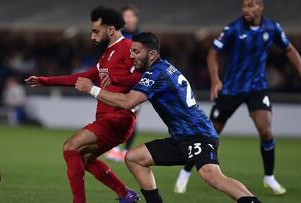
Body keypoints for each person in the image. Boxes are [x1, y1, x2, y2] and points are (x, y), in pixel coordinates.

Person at [75, 32, 261, 203]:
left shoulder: (157, 74)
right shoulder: (161, 69)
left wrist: (92, 89)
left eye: (136, 52)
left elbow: (128, 102)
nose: (132, 56)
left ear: (152, 55)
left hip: (196, 134)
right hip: (182, 136)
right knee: (134, 158)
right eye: (131, 51)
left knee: (210, 175)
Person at [175, 0, 301, 195]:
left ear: (260, 7)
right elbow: (212, 54)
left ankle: (269, 178)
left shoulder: (272, 28)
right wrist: (216, 80)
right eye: (244, 5)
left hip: (257, 88)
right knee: (209, 134)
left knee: (266, 131)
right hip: (231, 89)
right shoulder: (233, 28)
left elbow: (290, 50)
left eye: (251, 5)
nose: (246, 9)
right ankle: (185, 173)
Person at [25, 6, 142, 203]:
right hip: (107, 118)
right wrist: (46, 80)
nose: (92, 37)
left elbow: (143, 75)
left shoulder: (129, 48)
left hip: (119, 117)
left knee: (70, 146)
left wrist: (117, 79)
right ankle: (125, 194)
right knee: (84, 159)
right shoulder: (106, 55)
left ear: (111, 29)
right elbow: (81, 77)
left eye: (96, 31)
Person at [106, 4, 141, 162]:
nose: (127, 19)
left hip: (136, 83)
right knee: (113, 113)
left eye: (130, 16)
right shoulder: (115, 36)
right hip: (118, 82)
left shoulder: (143, 37)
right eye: (125, 16)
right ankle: (114, 148)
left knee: (130, 116)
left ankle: (126, 151)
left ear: (136, 18)